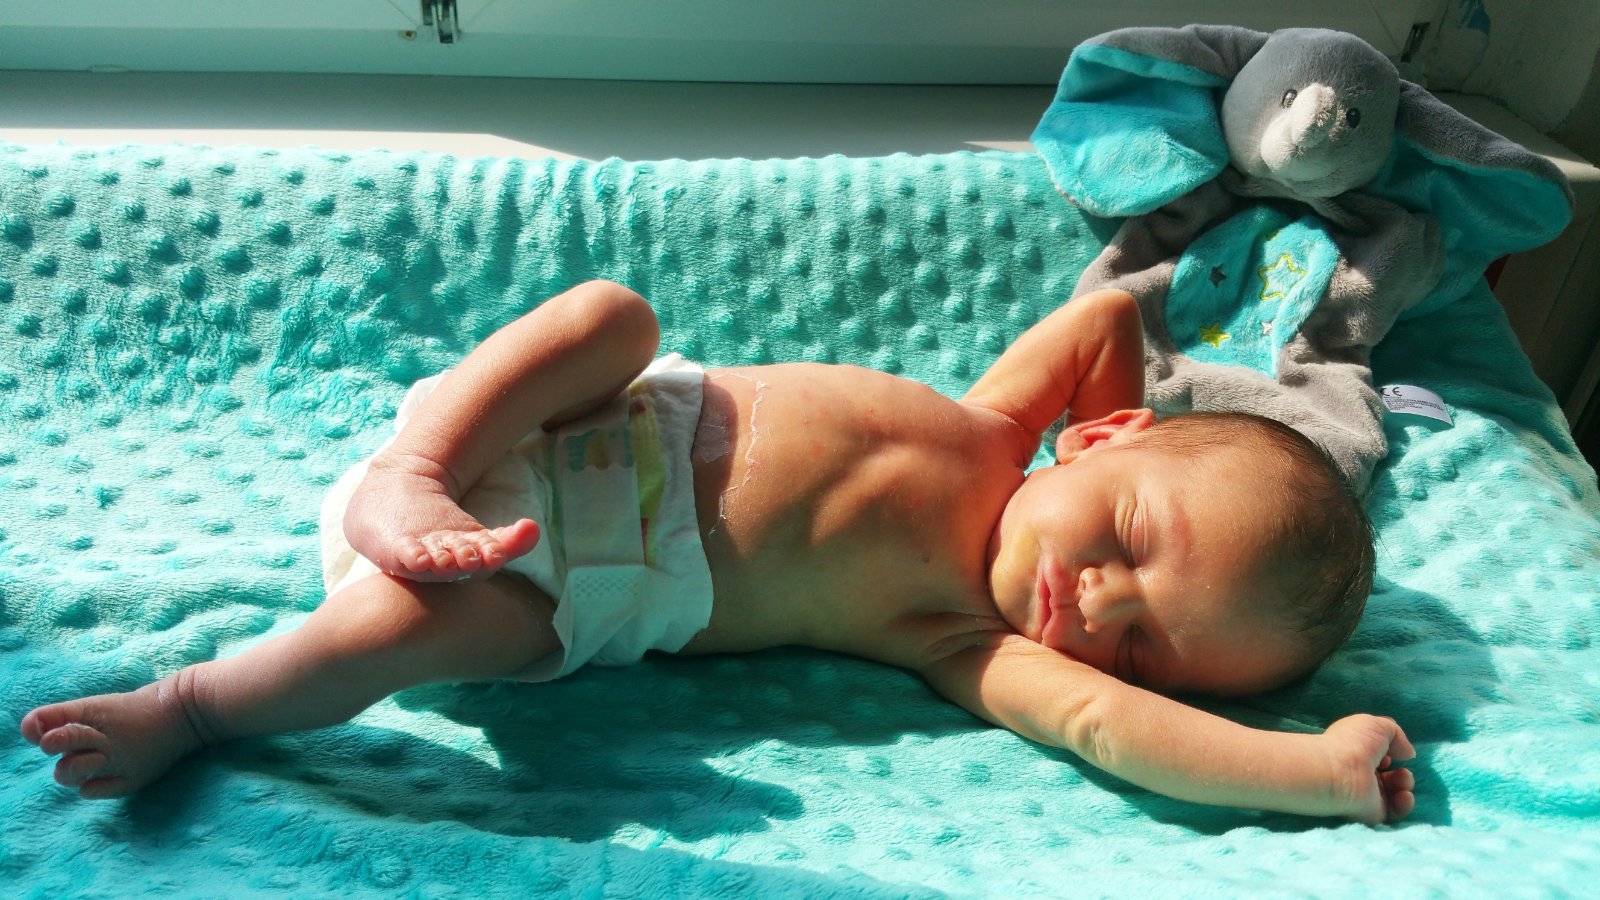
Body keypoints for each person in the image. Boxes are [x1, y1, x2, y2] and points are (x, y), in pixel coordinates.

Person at [20, 280, 1415, 824]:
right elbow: (1112, 316)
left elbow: (1113, 732)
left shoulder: (957, 637)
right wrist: (1191, 396)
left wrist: (1311, 772)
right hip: (531, 433)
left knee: (418, 641)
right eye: (1130, 540)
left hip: (554, 581)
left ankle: (193, 704)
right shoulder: (1002, 423)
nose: (1097, 606)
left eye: (1140, 643)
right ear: (1100, 438)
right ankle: (411, 465)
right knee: (613, 315)